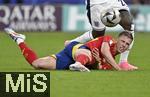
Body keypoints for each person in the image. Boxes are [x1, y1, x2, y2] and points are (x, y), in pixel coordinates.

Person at [4, 28, 138, 72]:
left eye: (127, 44)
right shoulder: (108, 40)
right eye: (123, 41)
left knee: (37, 64)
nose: (124, 45)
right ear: (117, 39)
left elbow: (98, 67)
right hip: (78, 49)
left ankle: (19, 39)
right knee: (89, 53)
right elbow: (104, 50)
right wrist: (118, 69)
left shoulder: (110, 60)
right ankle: (78, 64)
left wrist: (97, 62)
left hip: (70, 58)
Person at [65, 0, 135, 68]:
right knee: (98, 34)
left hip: (114, 1)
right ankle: (72, 43)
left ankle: (123, 61)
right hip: (96, 2)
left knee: (129, 25)